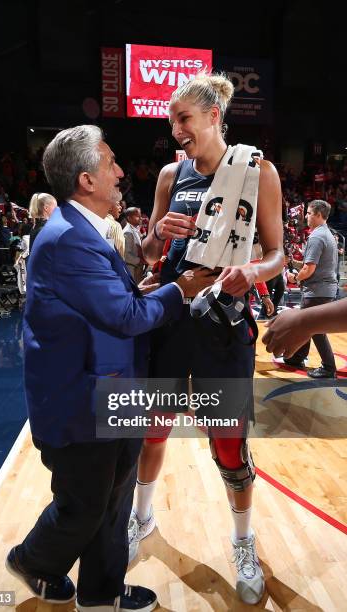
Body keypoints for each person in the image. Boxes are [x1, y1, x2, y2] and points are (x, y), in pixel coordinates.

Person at [5, 125, 215, 609]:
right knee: (84, 508)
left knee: (115, 504)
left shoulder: (86, 231)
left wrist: (144, 287)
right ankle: (33, 560)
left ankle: (100, 593)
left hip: (115, 391)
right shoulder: (66, 240)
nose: (121, 172)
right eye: (111, 163)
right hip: (80, 402)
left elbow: (110, 303)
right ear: (86, 180)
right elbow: (123, 317)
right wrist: (179, 289)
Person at [132, 72, 284, 605]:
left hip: (223, 326)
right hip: (171, 321)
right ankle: (141, 517)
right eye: (172, 121)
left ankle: (244, 542)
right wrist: (157, 236)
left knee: (228, 443)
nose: (175, 131)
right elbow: (149, 256)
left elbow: (276, 253)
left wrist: (254, 275)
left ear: (214, 116)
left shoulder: (257, 170)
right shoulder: (170, 176)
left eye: (183, 120)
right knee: (151, 430)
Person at [284, 200, 338, 378]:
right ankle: (298, 356)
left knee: (314, 329)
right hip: (323, 290)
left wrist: (294, 278)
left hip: (317, 291)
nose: (306, 216)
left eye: (308, 213)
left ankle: (329, 367)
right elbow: (309, 264)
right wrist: (293, 262)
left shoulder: (316, 237)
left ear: (318, 215)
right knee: (306, 325)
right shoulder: (326, 234)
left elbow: (309, 270)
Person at [263, 297, 347, 357]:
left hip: (315, 294)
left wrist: (302, 320)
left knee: (318, 336)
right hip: (321, 293)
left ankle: (328, 366)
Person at [123, 207, 145, 282]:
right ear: (129, 218)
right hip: (131, 270)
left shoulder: (135, 230)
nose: (140, 218)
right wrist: (140, 261)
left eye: (140, 216)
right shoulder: (127, 232)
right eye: (137, 216)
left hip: (136, 269)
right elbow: (126, 255)